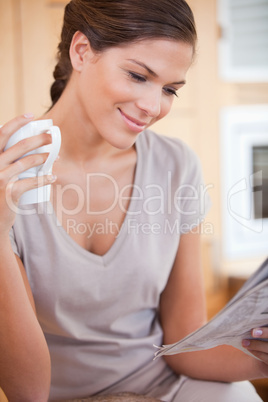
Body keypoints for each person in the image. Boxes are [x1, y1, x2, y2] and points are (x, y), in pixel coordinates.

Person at [0, 0, 267, 401]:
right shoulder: (11, 176)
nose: (153, 106)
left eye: (170, 90)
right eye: (138, 75)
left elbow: (183, 346)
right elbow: (28, 392)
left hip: (168, 385)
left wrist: (261, 356)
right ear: (81, 51)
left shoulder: (176, 166)